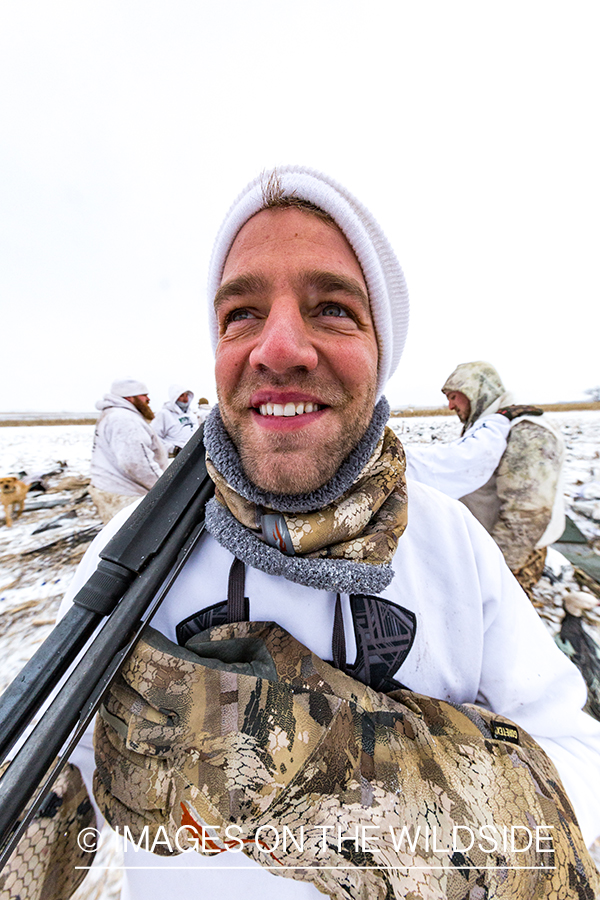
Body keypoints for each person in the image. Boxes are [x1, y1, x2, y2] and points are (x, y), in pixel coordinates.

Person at [56, 168, 599, 897]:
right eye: (241, 314)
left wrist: (340, 779)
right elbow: (56, 772)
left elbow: (578, 764)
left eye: (333, 308)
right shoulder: (132, 556)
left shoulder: (449, 547)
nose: (278, 347)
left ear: (384, 351)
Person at [441, 361, 565, 596]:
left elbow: (528, 513)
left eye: (454, 396)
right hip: (485, 549)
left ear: (474, 391)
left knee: (502, 623)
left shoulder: (527, 431)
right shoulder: (488, 427)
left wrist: (497, 571)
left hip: (511, 555)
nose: (450, 406)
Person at [89, 377, 168, 523]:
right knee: (137, 538)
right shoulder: (125, 419)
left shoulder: (115, 415)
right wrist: (165, 488)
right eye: (143, 395)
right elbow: (135, 462)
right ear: (129, 397)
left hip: (111, 489)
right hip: (124, 494)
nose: (148, 399)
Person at [153, 384, 199, 456]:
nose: (185, 399)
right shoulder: (164, 414)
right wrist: (173, 449)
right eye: (181, 396)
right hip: (174, 456)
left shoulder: (192, 415)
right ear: (174, 397)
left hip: (193, 453)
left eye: (186, 395)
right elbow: (155, 438)